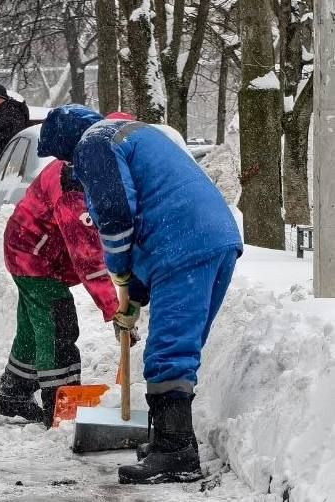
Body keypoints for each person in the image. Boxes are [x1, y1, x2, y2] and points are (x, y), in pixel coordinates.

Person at [37, 104, 243, 485]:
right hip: (215, 237)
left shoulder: (93, 143)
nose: (68, 165)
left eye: (63, 157)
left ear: (66, 144)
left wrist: (117, 271)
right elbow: (154, 202)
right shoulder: (135, 133)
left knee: (169, 351)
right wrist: (134, 296)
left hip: (182, 244)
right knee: (181, 345)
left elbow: (115, 215)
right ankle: (170, 440)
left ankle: (176, 451)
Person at [0, 157, 131, 428]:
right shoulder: (74, 192)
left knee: (34, 328)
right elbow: (89, 261)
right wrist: (114, 310)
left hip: (28, 248)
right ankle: (61, 402)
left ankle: (14, 392)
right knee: (58, 322)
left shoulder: (78, 161)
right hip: (34, 257)